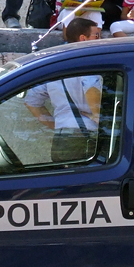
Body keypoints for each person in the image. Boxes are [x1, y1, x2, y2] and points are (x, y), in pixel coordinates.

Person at [23, 17, 102, 162]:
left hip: (61, 136)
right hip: (84, 135)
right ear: (83, 38)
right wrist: (98, 117)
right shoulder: (87, 61)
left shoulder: (55, 63)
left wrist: (56, 124)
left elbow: (31, 102)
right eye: (96, 35)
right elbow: (90, 86)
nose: (100, 39)